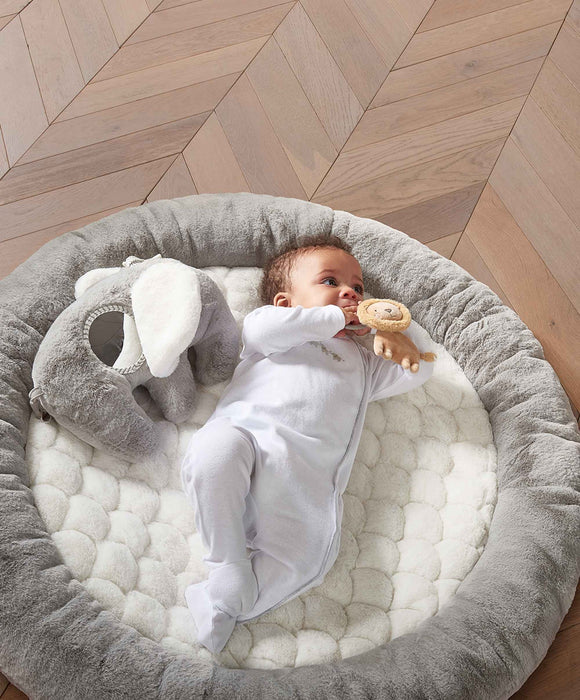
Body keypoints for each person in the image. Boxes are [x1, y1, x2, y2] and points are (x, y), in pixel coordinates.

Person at [180, 233, 434, 653]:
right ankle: (226, 561)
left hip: (303, 487)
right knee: (215, 449)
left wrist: (397, 334)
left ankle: (225, 602)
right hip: (247, 445)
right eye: (330, 281)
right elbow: (266, 326)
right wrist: (332, 317)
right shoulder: (268, 333)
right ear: (285, 303)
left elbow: (418, 370)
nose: (351, 293)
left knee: (310, 557)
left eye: (359, 287)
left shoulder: (363, 363)